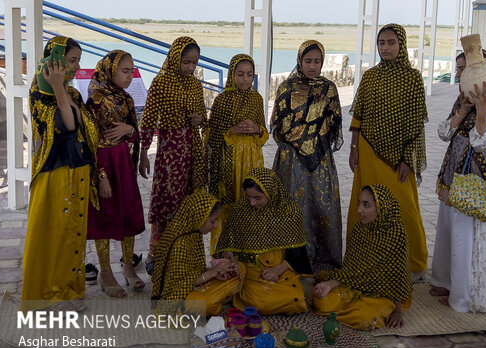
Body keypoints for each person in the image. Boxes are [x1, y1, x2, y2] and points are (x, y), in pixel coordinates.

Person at [21, 36, 99, 311]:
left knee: (73, 233)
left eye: (78, 60)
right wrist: (56, 88)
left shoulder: (73, 93)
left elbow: (86, 128)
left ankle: (69, 289)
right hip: (54, 173)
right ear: (53, 62)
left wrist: (62, 90)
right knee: (54, 233)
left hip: (77, 170)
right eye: (71, 60)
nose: (77, 66)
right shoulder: (38, 94)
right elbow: (67, 124)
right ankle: (50, 295)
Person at [348, 24, 428, 280]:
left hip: (398, 158)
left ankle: (412, 264)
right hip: (368, 151)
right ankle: (363, 259)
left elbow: (416, 122)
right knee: (365, 204)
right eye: (381, 43)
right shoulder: (370, 76)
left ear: (401, 45)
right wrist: (353, 147)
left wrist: (407, 158)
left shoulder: (413, 78)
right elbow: (359, 114)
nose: (385, 48)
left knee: (404, 206)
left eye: (391, 42)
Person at [429, 50, 486, 313]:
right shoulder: (462, 100)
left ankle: (461, 298)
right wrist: (463, 109)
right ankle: (443, 281)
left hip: (474, 178)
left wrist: (482, 114)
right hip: (453, 171)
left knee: (463, 237)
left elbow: (483, 146)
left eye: (463, 69)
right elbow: (444, 132)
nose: (459, 74)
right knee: (447, 230)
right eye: (458, 68)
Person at [271, 40, 343, 273]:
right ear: (300, 61)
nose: (312, 66)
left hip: (320, 158)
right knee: (292, 207)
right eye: (308, 61)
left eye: (317, 61)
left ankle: (322, 262)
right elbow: (277, 125)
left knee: (320, 207)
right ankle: (290, 263)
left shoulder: (329, 88)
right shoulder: (286, 87)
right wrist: (299, 140)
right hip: (291, 159)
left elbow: (335, 121)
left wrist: (314, 138)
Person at [139, 36, 207, 275]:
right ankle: (157, 252)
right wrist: (144, 152)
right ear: (175, 57)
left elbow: (202, 117)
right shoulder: (160, 83)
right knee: (167, 201)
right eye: (186, 62)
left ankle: (185, 253)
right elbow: (147, 121)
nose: (190, 68)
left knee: (190, 201)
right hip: (170, 151)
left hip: (193, 149)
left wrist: (200, 119)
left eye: (194, 63)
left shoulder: (196, 85)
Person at [85, 50, 146, 298]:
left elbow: (134, 133)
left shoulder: (127, 99)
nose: (130, 76)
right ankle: (105, 272)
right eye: (124, 71)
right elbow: (91, 140)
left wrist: (129, 128)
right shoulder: (96, 100)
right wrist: (101, 176)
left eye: (132, 70)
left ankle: (129, 267)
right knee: (105, 217)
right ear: (110, 70)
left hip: (123, 162)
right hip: (104, 165)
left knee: (128, 214)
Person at [214, 167, 312, 315]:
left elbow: (297, 253)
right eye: (249, 197)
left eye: (257, 198)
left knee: (290, 298)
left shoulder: (289, 211)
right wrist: (232, 261)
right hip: (248, 271)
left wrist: (277, 270)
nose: (252, 203)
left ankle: (239, 296)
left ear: (271, 193)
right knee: (256, 300)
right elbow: (227, 244)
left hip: (278, 271)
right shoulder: (241, 209)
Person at [314, 185, 413, 330]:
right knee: (321, 301)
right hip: (355, 286)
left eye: (366, 205)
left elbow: (399, 276)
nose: (359, 210)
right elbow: (350, 269)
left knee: (363, 318)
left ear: (381, 207)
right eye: (359, 203)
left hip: (383, 294)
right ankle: (352, 309)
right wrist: (330, 284)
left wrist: (397, 311)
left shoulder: (396, 234)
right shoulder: (359, 229)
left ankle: (373, 309)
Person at [207, 54, 268, 252]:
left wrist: (257, 129)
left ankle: (249, 251)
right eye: (240, 74)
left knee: (250, 199)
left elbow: (264, 133)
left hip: (251, 159)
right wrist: (231, 131)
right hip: (229, 161)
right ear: (232, 74)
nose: (245, 79)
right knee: (229, 204)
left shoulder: (256, 99)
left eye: (250, 75)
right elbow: (211, 135)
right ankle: (225, 252)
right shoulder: (222, 100)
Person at [151, 190, 240, 316]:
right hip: (178, 298)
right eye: (213, 221)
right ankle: (221, 300)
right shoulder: (180, 244)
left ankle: (222, 299)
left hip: (194, 286)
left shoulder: (193, 233)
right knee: (206, 303)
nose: (216, 225)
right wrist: (212, 272)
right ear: (199, 217)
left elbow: (192, 271)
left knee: (239, 269)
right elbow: (177, 286)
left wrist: (217, 272)